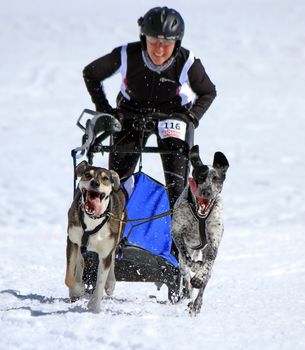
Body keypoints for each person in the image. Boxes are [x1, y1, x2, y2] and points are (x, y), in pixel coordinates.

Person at [83, 6, 216, 208]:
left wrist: (191, 118)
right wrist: (106, 110)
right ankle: (116, 231)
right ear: (144, 38)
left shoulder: (187, 61)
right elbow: (91, 73)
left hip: (172, 116)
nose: (159, 49)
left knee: (176, 187)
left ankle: (176, 232)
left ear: (177, 43)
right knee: (117, 182)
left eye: (167, 44)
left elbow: (208, 91)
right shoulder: (127, 54)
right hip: (131, 114)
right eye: (153, 41)